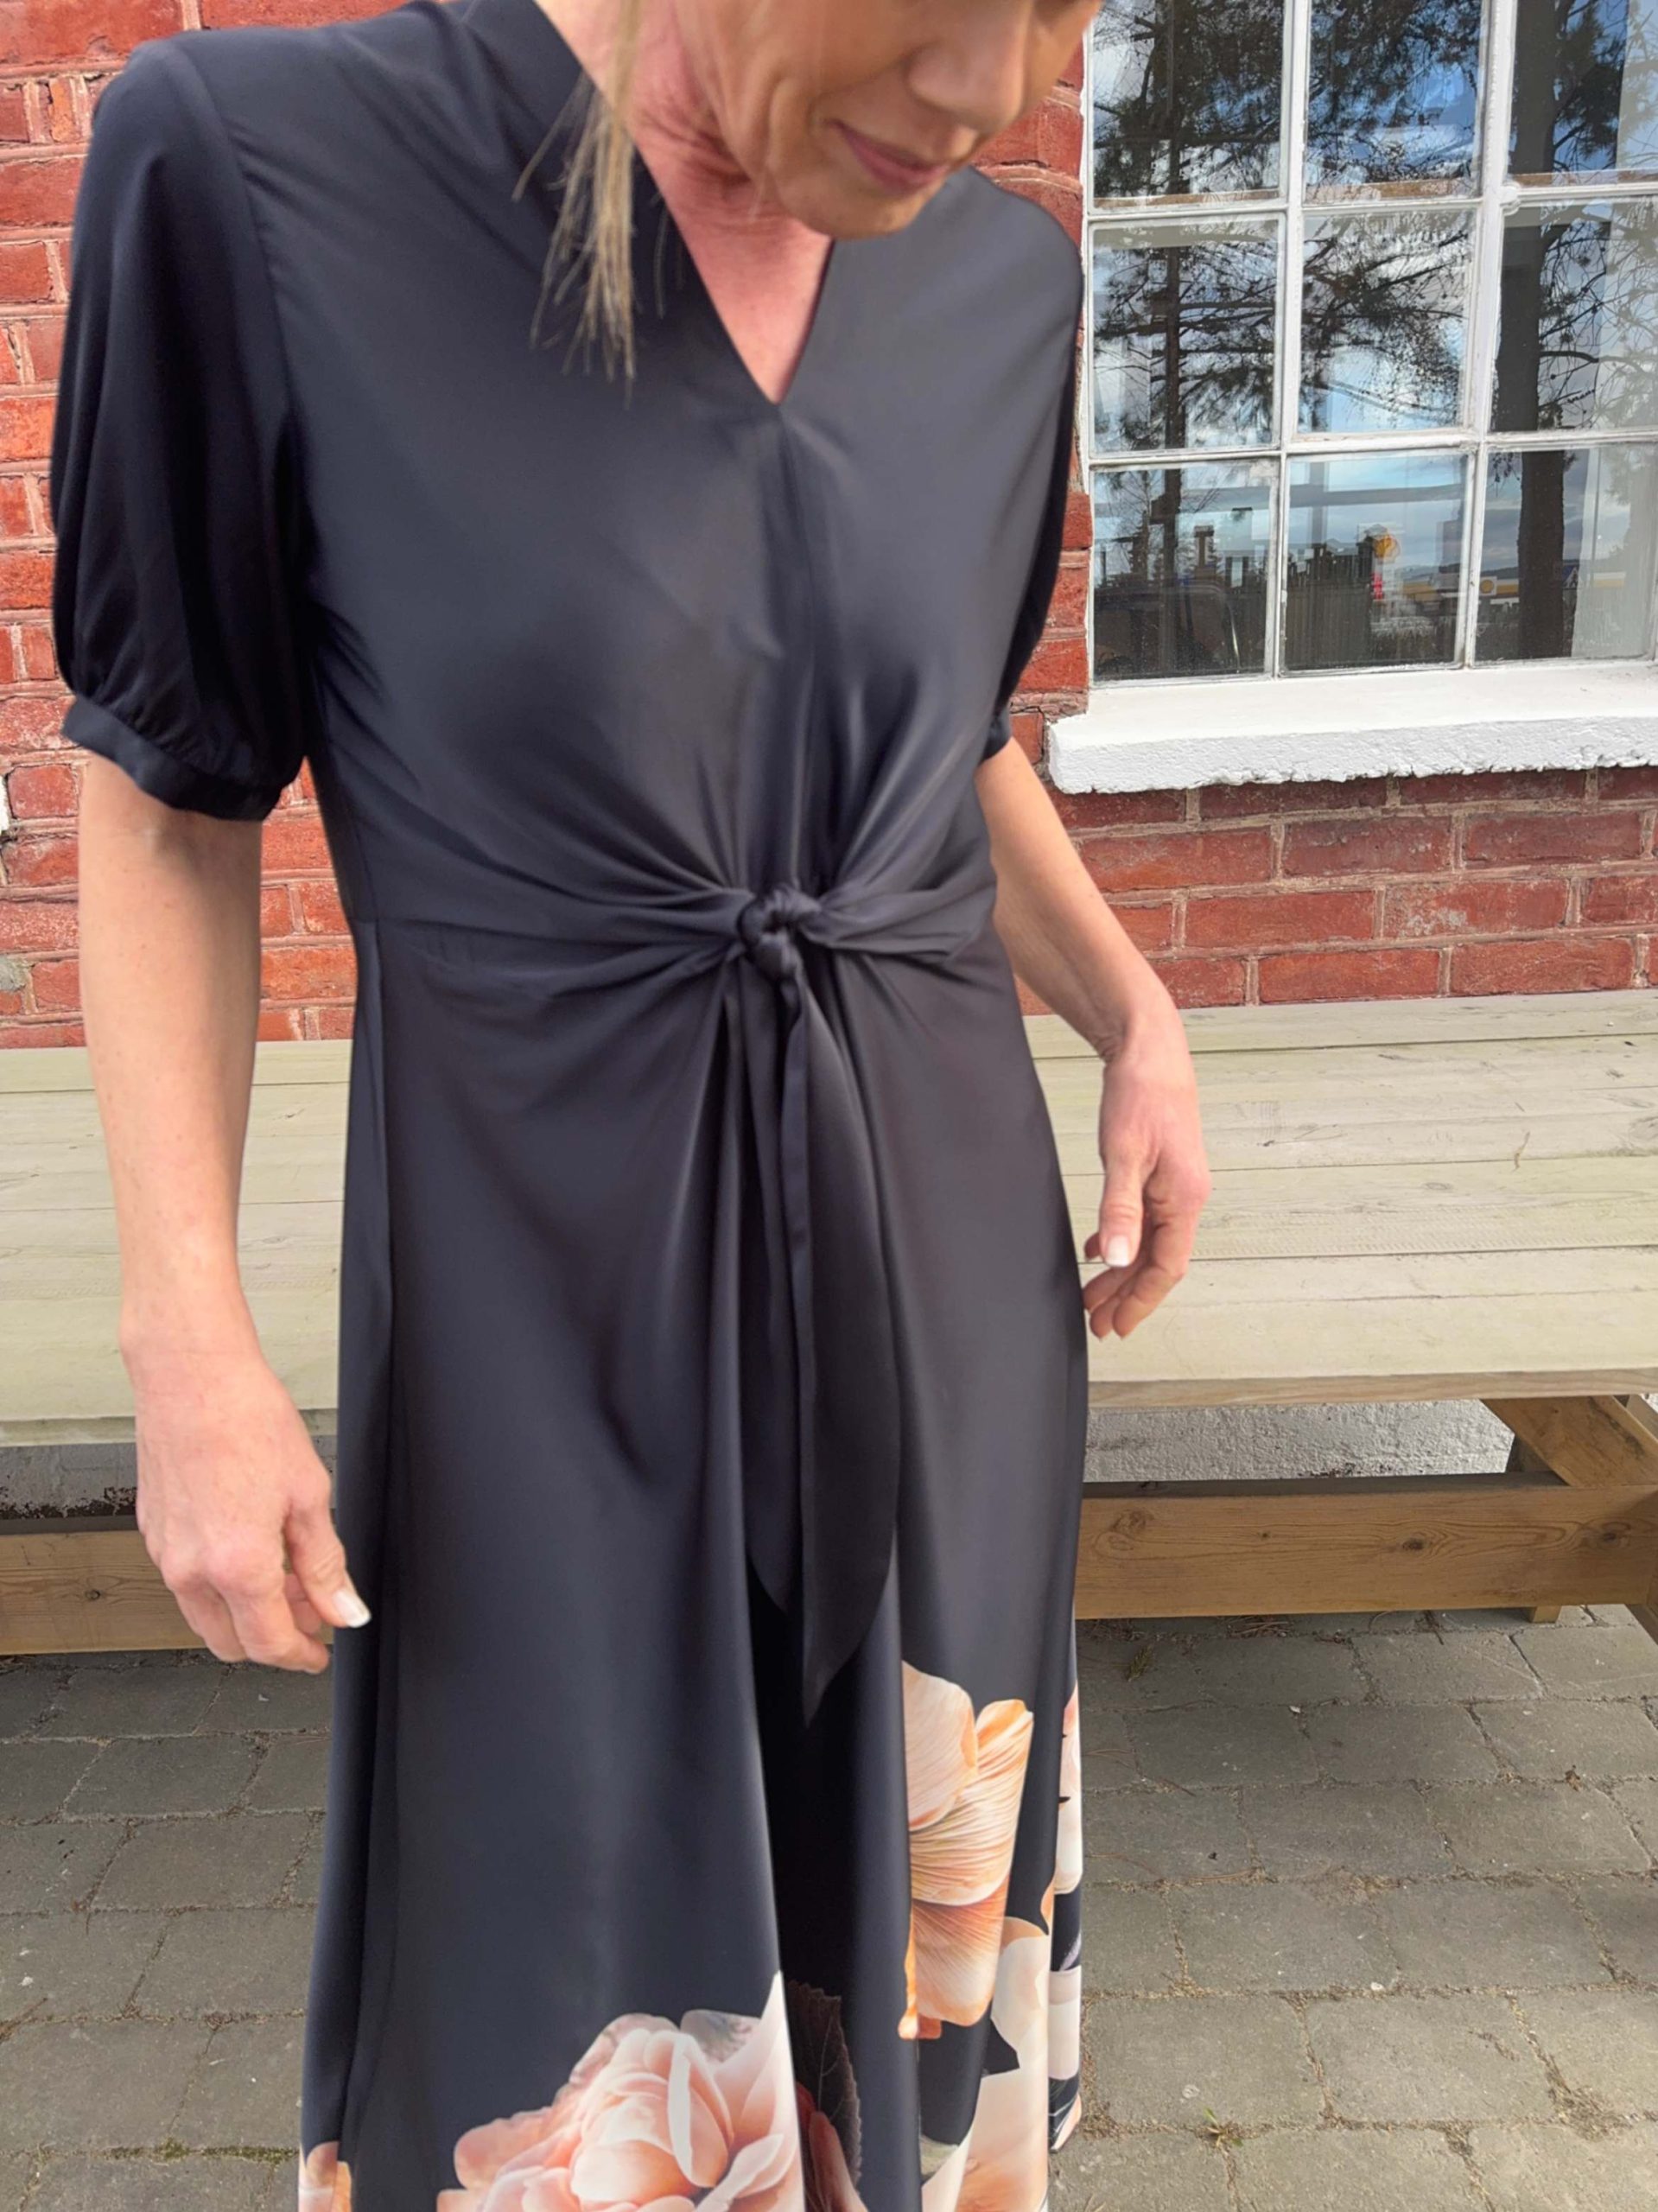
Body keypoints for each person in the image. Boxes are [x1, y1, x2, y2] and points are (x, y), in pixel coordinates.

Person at [47, 0, 1210, 2203]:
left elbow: (934, 732)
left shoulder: (998, 281)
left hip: (944, 1282)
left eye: (1058, 11)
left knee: (909, 1959)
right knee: (573, 2021)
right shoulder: (267, 180)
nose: (995, 91)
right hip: (543, 1328)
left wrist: (1132, 1009)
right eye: (941, 5)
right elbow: (173, 793)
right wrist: (184, 1329)